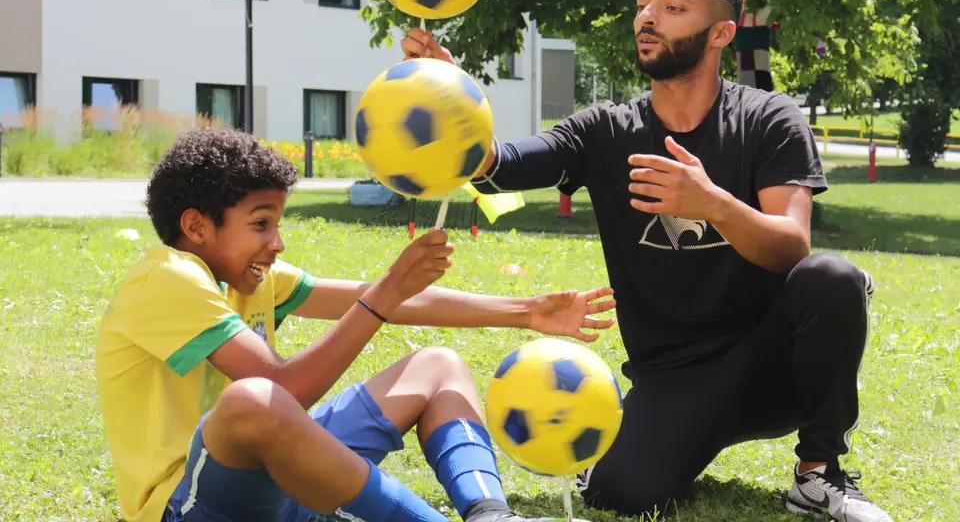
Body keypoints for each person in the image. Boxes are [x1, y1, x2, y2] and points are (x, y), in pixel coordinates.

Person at [401, 0, 893, 522]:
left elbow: (790, 246)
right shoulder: (606, 130)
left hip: (772, 365)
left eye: (672, 6)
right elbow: (499, 165)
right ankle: (638, 446)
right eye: (642, 5)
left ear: (720, 33)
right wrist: (449, 92)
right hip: (674, 378)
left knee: (830, 277)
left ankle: (818, 474)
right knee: (622, 493)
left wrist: (710, 203)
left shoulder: (769, 118)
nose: (646, 18)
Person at [95, 127, 617, 522]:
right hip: (190, 505)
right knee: (253, 402)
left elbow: (401, 302)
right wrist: (388, 291)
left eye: (277, 224)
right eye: (260, 224)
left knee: (437, 366)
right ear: (196, 227)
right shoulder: (167, 277)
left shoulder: (253, 277)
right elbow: (282, 389)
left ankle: (490, 513)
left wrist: (525, 311)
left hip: (280, 485)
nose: (276, 243)